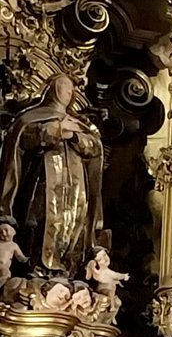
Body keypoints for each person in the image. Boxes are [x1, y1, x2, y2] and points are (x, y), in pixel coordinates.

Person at [0, 75, 104, 275]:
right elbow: (25, 140)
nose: (68, 90)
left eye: (71, 87)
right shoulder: (32, 117)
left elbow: (94, 148)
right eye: (64, 84)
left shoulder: (79, 123)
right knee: (39, 222)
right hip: (43, 183)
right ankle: (36, 271)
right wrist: (56, 129)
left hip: (76, 189)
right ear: (51, 89)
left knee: (72, 224)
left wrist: (73, 135)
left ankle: (67, 271)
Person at [86, 246, 129, 319]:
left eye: (105, 255)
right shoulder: (102, 271)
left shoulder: (107, 270)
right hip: (102, 288)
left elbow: (115, 275)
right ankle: (112, 306)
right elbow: (115, 275)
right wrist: (123, 276)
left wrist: (120, 278)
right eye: (100, 259)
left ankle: (112, 312)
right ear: (96, 262)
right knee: (111, 285)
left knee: (113, 286)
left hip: (107, 287)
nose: (104, 259)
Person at [0, 218, 27, 286]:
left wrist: (25, 259)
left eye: (6, 230)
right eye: (0, 232)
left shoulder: (13, 245)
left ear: (13, 231)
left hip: (3, 267)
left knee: (6, 273)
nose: (3, 233)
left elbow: (19, 256)